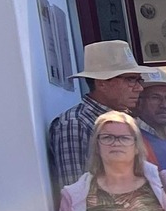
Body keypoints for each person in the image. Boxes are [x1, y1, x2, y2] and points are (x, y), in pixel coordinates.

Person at [50, 41, 150, 187]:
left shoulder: (128, 121)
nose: (139, 88)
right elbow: (75, 192)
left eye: (139, 80)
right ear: (102, 83)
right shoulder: (75, 123)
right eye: (130, 79)